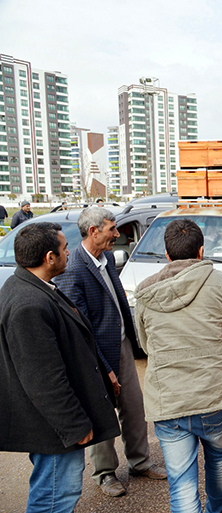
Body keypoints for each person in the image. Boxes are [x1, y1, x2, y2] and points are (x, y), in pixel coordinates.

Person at [0, 222, 120, 513]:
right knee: (55, 489)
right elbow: (43, 379)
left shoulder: (35, 288)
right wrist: (74, 425)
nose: (70, 252)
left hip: (52, 423)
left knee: (56, 486)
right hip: (53, 427)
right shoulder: (28, 304)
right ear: (50, 257)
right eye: (65, 249)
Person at [135, 219, 222, 513]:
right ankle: (217, 510)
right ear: (202, 250)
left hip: (168, 399)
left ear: (168, 255)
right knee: (218, 455)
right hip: (213, 393)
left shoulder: (145, 291)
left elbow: (145, 345)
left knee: (182, 483)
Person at [55, 207, 167, 497]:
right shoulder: (75, 268)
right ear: (93, 231)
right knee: (102, 413)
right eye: (112, 228)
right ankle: (105, 473)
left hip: (121, 347)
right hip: (95, 357)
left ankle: (140, 462)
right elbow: (82, 330)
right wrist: (105, 367)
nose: (118, 234)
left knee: (133, 406)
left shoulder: (105, 258)